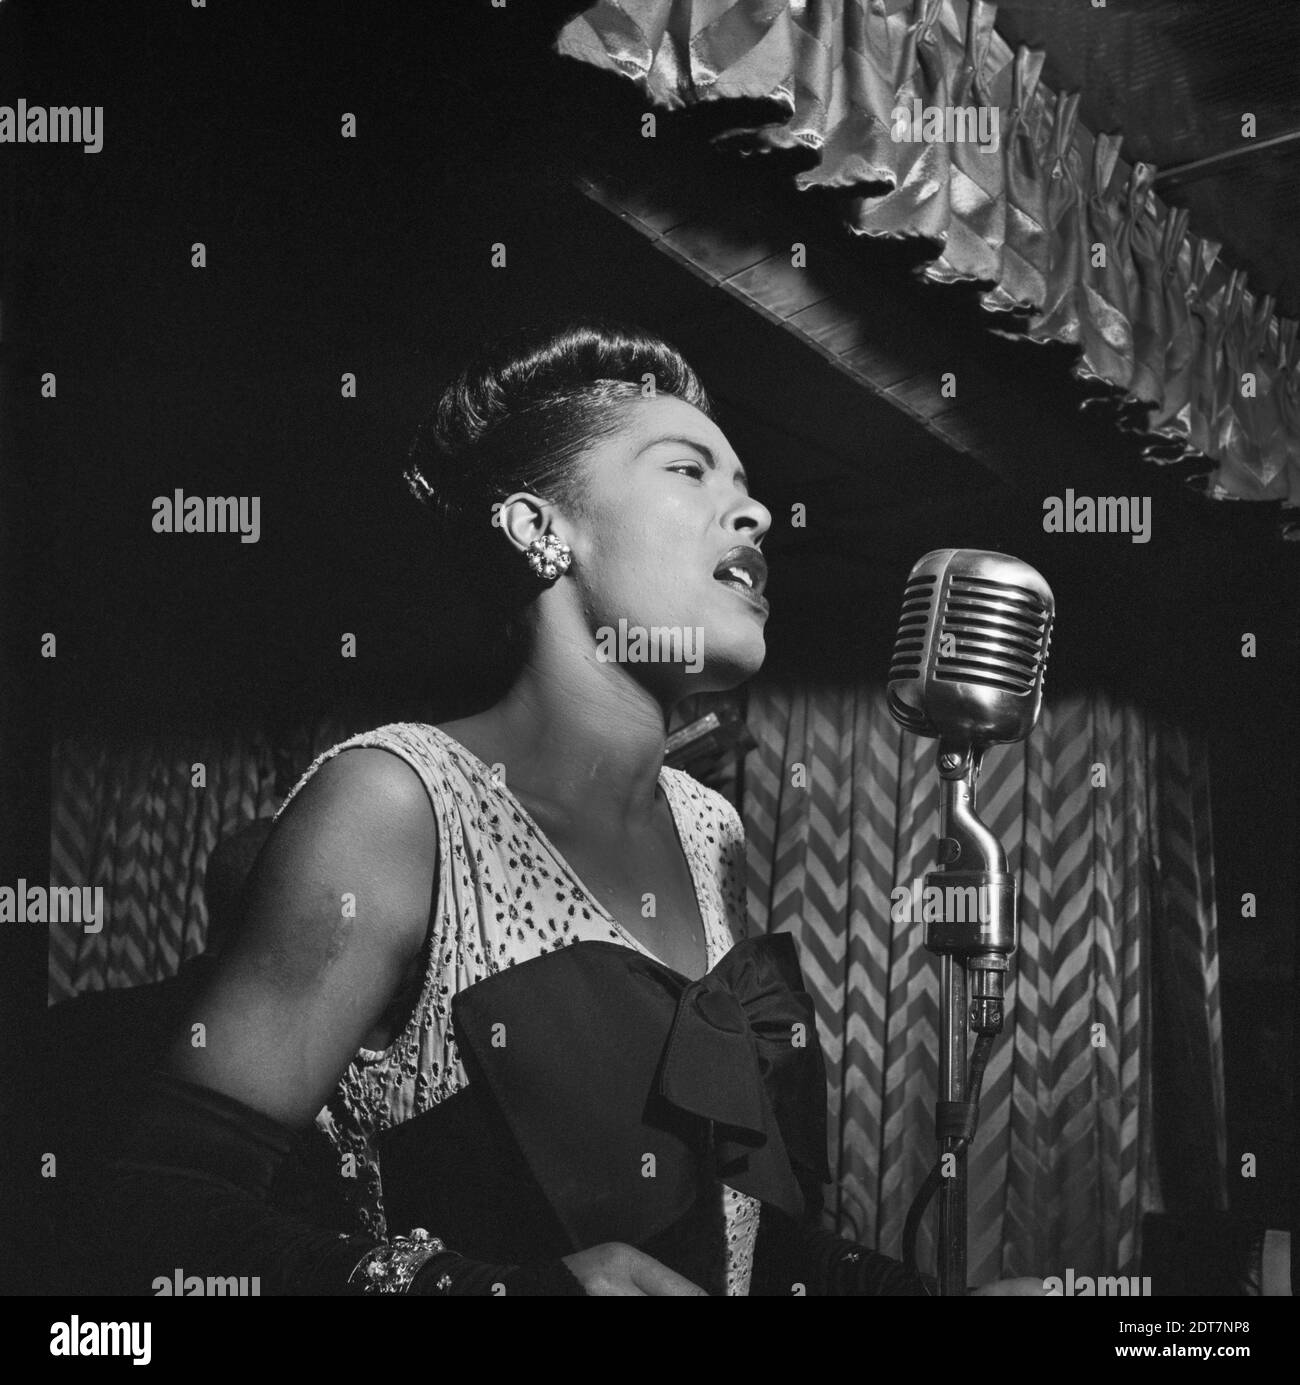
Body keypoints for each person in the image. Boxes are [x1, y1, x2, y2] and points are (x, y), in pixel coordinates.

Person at [80, 319, 1042, 1296]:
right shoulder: (397, 802)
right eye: (688, 470)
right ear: (542, 529)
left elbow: (741, 1236)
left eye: (746, 485)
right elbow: (156, 1214)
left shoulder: (712, 827)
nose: (752, 513)